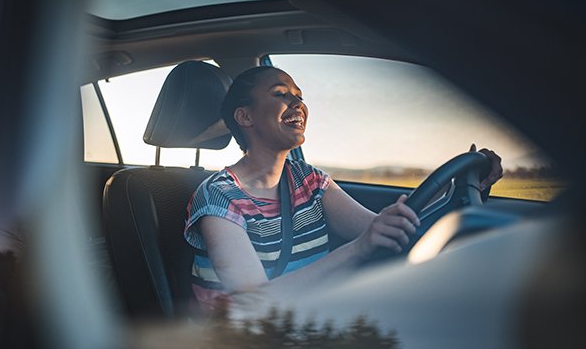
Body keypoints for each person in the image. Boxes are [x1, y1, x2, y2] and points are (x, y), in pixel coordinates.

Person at [184, 66, 503, 313]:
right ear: (245, 116)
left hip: (312, 321)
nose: (297, 102)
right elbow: (252, 304)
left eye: (299, 95)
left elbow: (379, 229)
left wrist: (459, 183)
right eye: (281, 94)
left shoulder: (308, 180)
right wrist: (359, 247)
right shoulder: (219, 197)